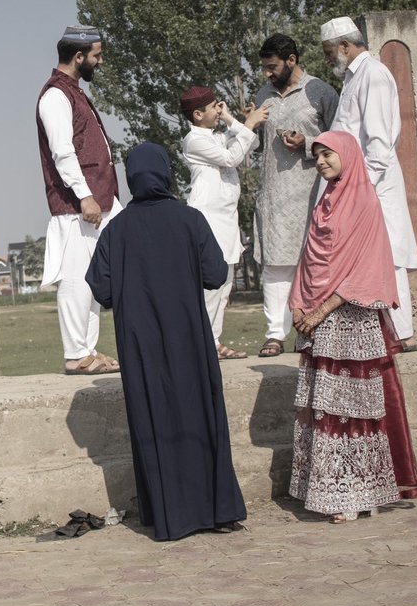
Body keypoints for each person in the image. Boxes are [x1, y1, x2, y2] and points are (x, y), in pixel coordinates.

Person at [86, 142, 248, 540]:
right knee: (201, 416)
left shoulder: (116, 229)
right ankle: (217, 511)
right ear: (165, 173)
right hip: (189, 341)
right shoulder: (189, 220)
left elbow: (101, 289)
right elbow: (215, 274)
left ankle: (168, 516)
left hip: (141, 348)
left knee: (154, 421)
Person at [287, 131, 417, 522]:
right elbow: (309, 260)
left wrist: (321, 309)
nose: (322, 161)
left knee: (350, 409)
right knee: (323, 407)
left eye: (327, 153)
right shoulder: (324, 203)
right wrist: (298, 303)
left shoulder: (363, 202)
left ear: (346, 154)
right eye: (317, 156)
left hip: (350, 316)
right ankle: (328, 489)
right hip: (316, 319)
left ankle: (355, 494)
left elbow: (365, 267)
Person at [320, 17, 417, 351]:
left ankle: (402, 334)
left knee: (388, 255)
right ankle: (386, 333)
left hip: (373, 184)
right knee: (368, 258)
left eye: (329, 51)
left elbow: (378, 142)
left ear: (346, 46)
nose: (327, 59)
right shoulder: (353, 78)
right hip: (359, 183)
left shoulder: (373, 75)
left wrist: (364, 188)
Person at [36, 24, 123, 375]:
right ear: (78, 56)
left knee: (94, 280)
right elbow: (63, 153)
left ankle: (87, 350)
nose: (99, 62)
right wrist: (86, 196)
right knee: (75, 279)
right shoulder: (55, 96)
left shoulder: (74, 92)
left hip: (96, 201)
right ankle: (76, 354)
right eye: (96, 56)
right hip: (76, 206)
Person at [249, 33, 339, 357]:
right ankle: (275, 334)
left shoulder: (320, 93)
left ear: (292, 60)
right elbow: (255, 143)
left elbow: (340, 140)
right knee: (275, 265)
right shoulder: (264, 94)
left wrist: (308, 141)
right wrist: (249, 123)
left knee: (314, 262)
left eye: (272, 67)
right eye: (264, 68)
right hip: (274, 193)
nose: (267, 74)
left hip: (312, 192)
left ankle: (316, 328)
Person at [180, 86, 269, 359]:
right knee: (210, 285)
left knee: (226, 284)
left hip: (227, 218)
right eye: (213, 108)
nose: (217, 111)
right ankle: (202, 343)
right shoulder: (194, 140)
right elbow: (233, 156)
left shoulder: (217, 135)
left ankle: (213, 341)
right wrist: (249, 123)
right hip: (207, 218)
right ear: (197, 114)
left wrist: (233, 120)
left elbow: (251, 143)